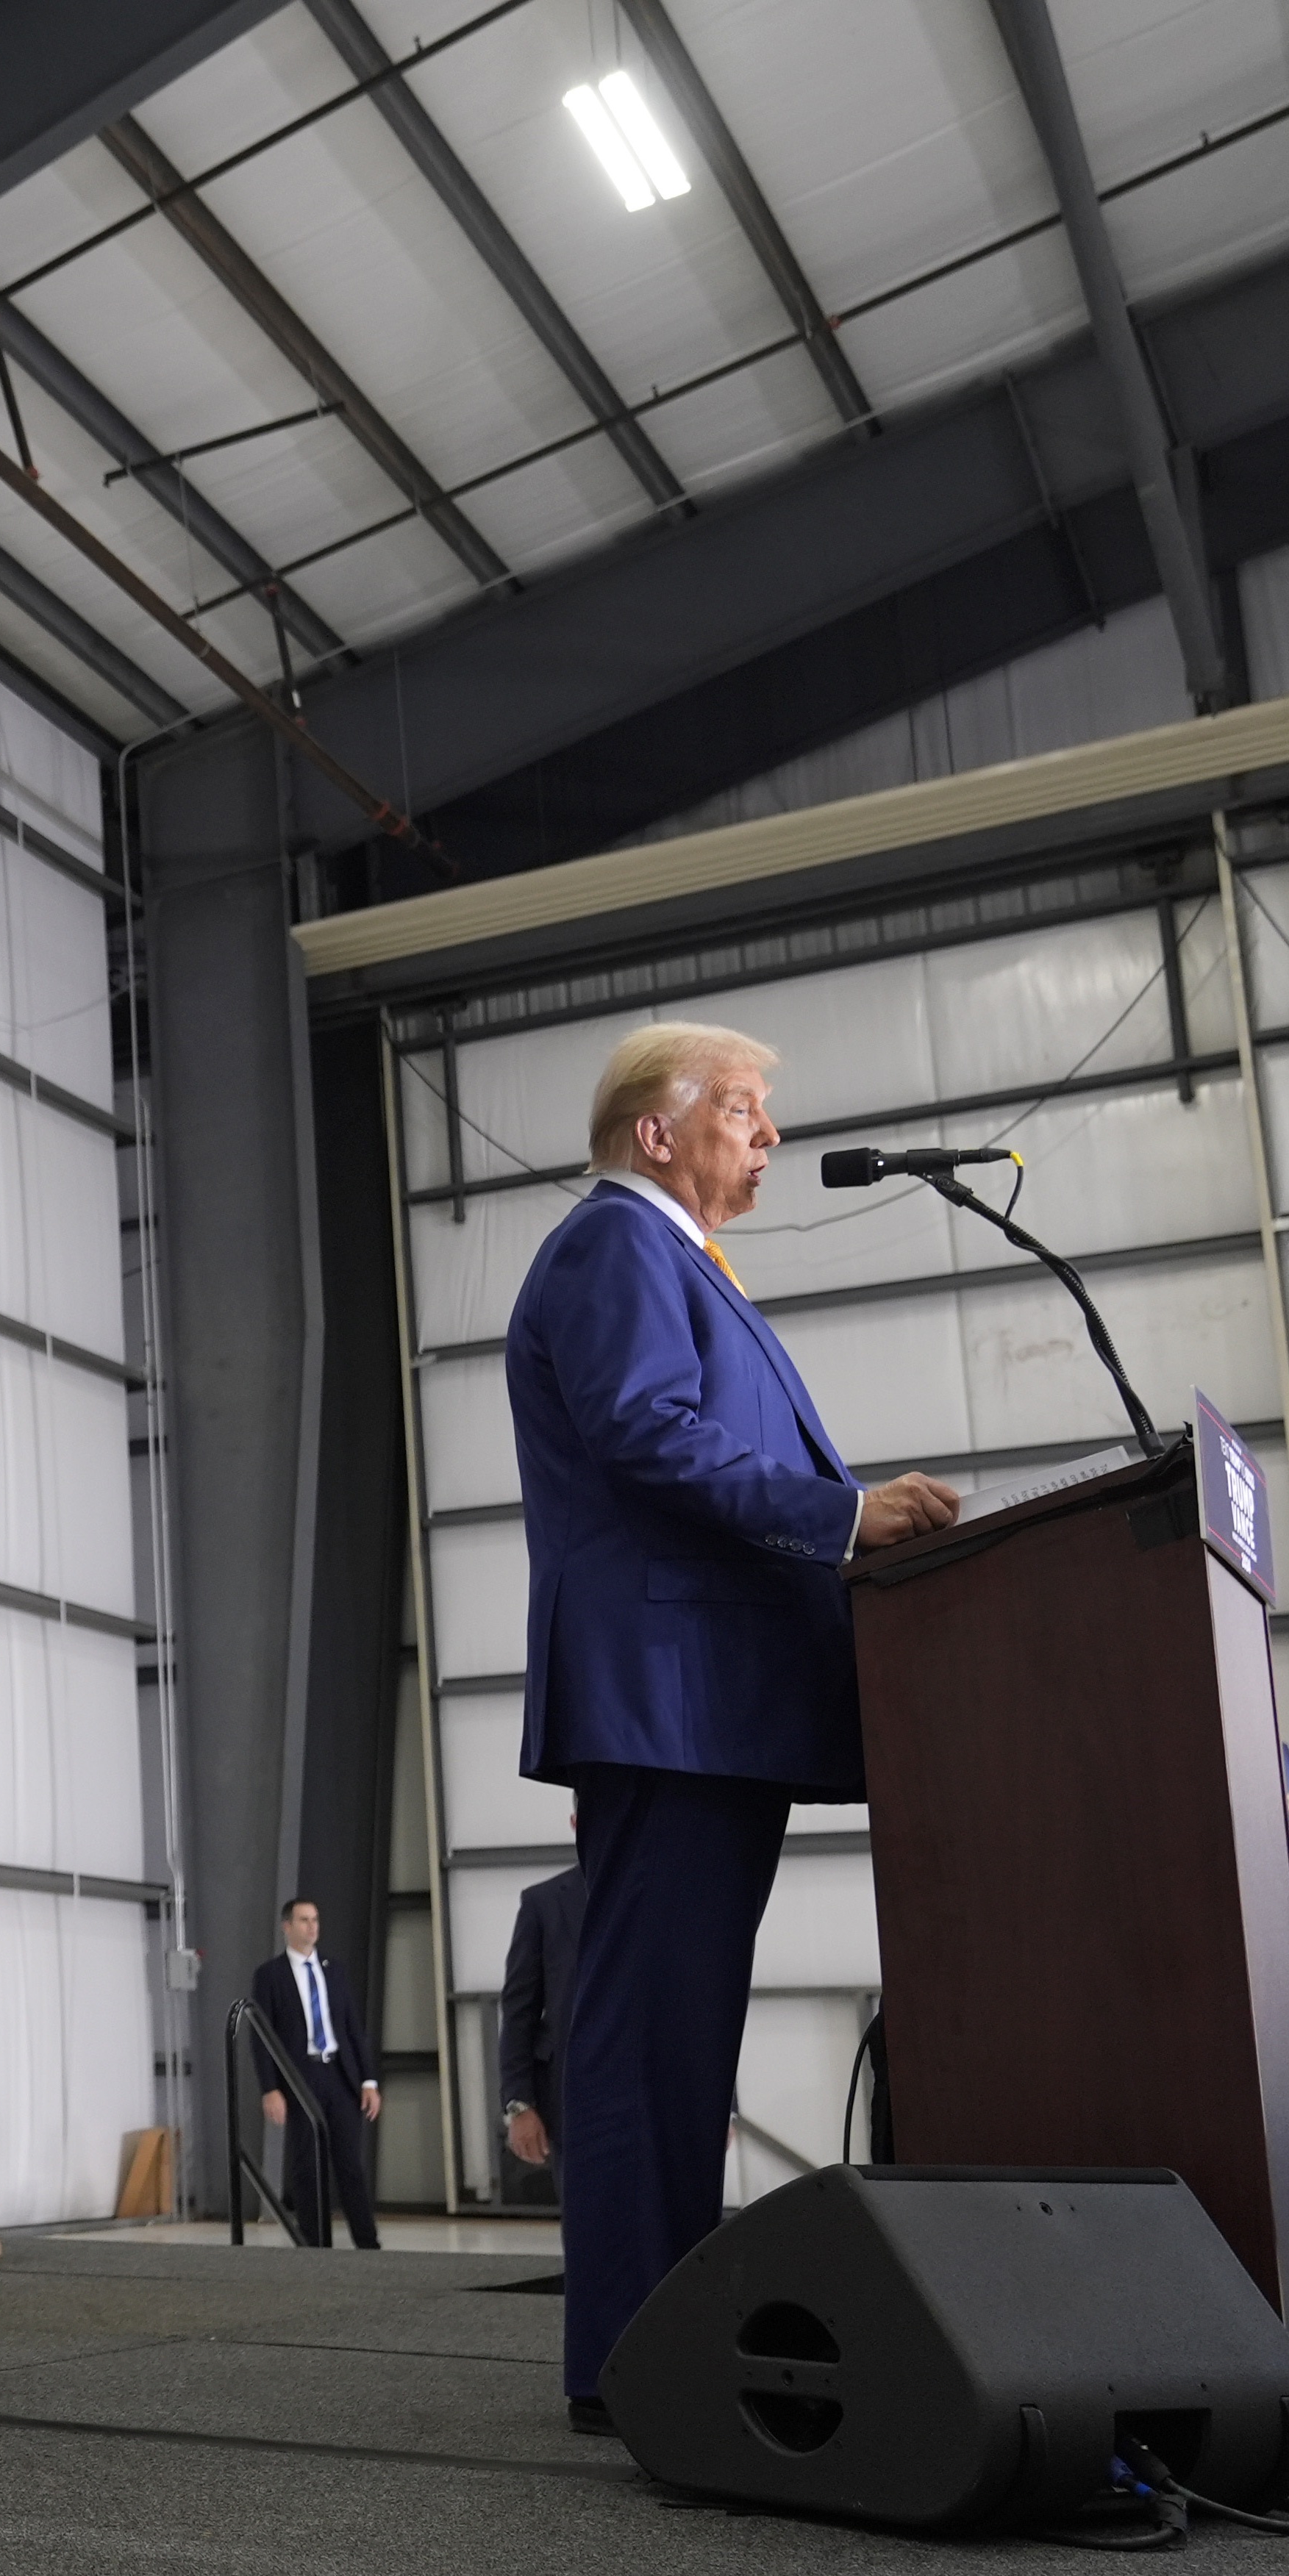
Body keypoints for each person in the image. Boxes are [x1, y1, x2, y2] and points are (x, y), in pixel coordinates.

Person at [505, 1022, 959, 2432]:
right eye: (744, 1111)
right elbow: (649, 1431)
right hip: (671, 1697)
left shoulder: (682, 1261)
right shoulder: (613, 1249)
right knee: (651, 2030)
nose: (766, 1137)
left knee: (679, 2026)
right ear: (656, 1131)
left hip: (711, 1700)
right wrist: (841, 1513)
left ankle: (649, 2336)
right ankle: (630, 2353)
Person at [248, 1898, 380, 2249]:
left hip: (339, 2074)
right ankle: (315, 2244)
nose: (312, 1927)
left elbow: (353, 2028)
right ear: (287, 1927)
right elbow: (261, 2038)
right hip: (300, 2075)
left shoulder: (333, 1970)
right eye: (304, 1920)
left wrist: (368, 2080)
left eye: (316, 1920)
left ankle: (368, 2243)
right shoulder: (270, 1976)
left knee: (349, 2163)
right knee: (307, 2164)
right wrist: (270, 2089)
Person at [497, 1847, 585, 2188]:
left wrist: (723, 2102)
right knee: (588, 2229)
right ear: (577, 1823)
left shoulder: (662, 1895)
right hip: (572, 2103)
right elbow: (520, 2010)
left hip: (656, 2102)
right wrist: (519, 2105)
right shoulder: (544, 1903)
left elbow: (698, 2002)